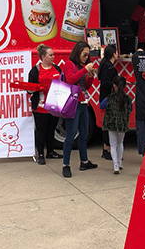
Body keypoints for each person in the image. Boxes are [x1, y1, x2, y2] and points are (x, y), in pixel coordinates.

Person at [61, 41, 98, 178]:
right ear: (78, 52)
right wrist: (84, 70)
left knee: (84, 133)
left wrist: (90, 76)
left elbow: (86, 86)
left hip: (84, 102)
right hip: (73, 104)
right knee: (70, 135)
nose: (86, 57)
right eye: (84, 54)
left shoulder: (83, 66)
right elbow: (70, 80)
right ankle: (66, 164)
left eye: (88, 55)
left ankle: (84, 161)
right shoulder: (69, 64)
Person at [28, 44, 63, 164]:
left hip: (54, 106)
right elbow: (30, 89)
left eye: (53, 55)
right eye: (51, 55)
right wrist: (36, 88)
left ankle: (50, 152)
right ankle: (41, 154)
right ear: (43, 56)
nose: (54, 57)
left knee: (51, 130)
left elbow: (62, 84)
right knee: (41, 131)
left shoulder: (57, 69)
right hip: (40, 107)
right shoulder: (35, 71)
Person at [101, 76, 132, 174]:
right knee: (120, 143)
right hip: (122, 124)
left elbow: (101, 105)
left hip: (111, 124)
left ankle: (115, 166)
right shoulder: (128, 99)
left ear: (114, 86)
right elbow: (130, 110)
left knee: (113, 145)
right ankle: (120, 163)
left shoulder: (109, 98)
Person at [98, 45, 119, 161]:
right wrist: (116, 84)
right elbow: (107, 82)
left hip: (104, 96)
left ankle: (106, 149)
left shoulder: (104, 65)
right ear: (113, 54)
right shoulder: (110, 68)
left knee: (106, 123)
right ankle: (106, 149)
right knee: (108, 124)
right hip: (109, 97)